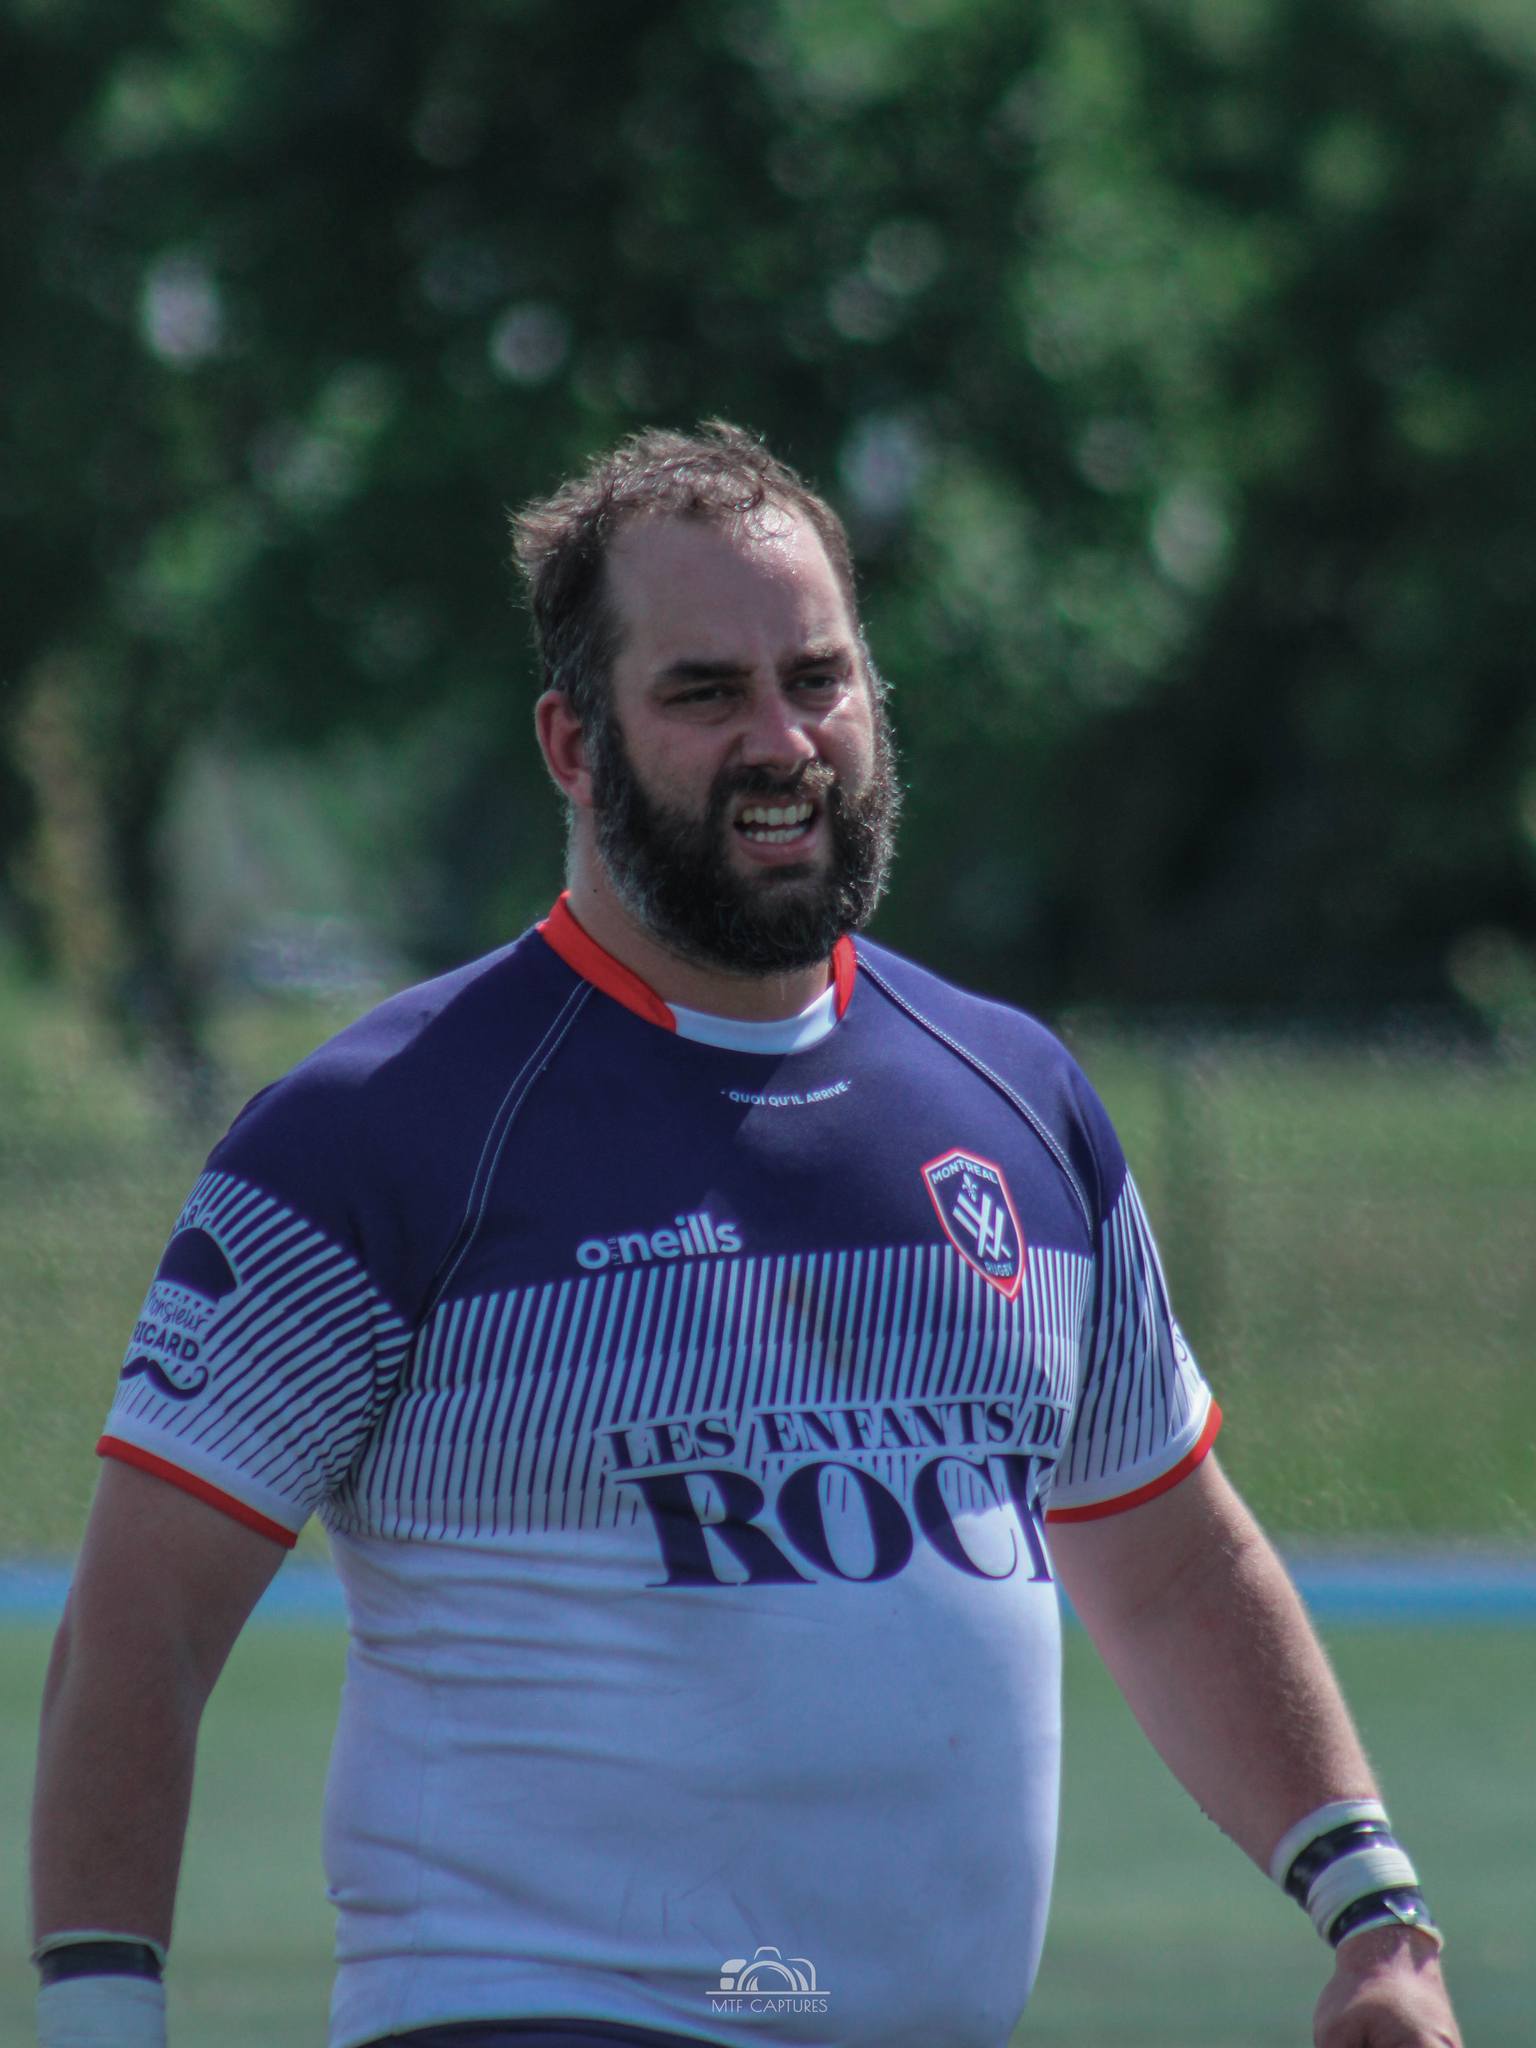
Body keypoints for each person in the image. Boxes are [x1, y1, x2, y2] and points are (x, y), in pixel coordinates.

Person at [30, 423, 1460, 2048]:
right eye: (707, 693)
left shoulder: (1019, 1102)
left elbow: (1176, 1564)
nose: (783, 738)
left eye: (820, 678)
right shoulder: (378, 1136)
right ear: (575, 745)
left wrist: (1378, 1922)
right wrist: (97, 2018)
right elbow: (138, 1626)